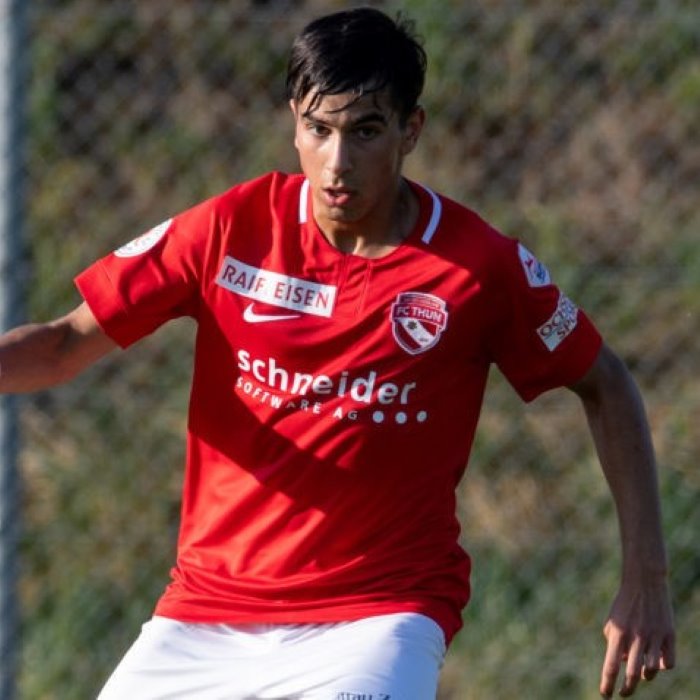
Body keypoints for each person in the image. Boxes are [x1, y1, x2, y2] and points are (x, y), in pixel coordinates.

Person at [0, 7, 674, 700]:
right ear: (295, 122)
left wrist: (645, 580)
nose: (337, 162)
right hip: (203, 615)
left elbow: (606, 383)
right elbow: (62, 345)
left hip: (375, 619)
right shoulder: (230, 229)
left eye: (366, 132)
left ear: (411, 130)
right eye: (319, 129)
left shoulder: (477, 269)